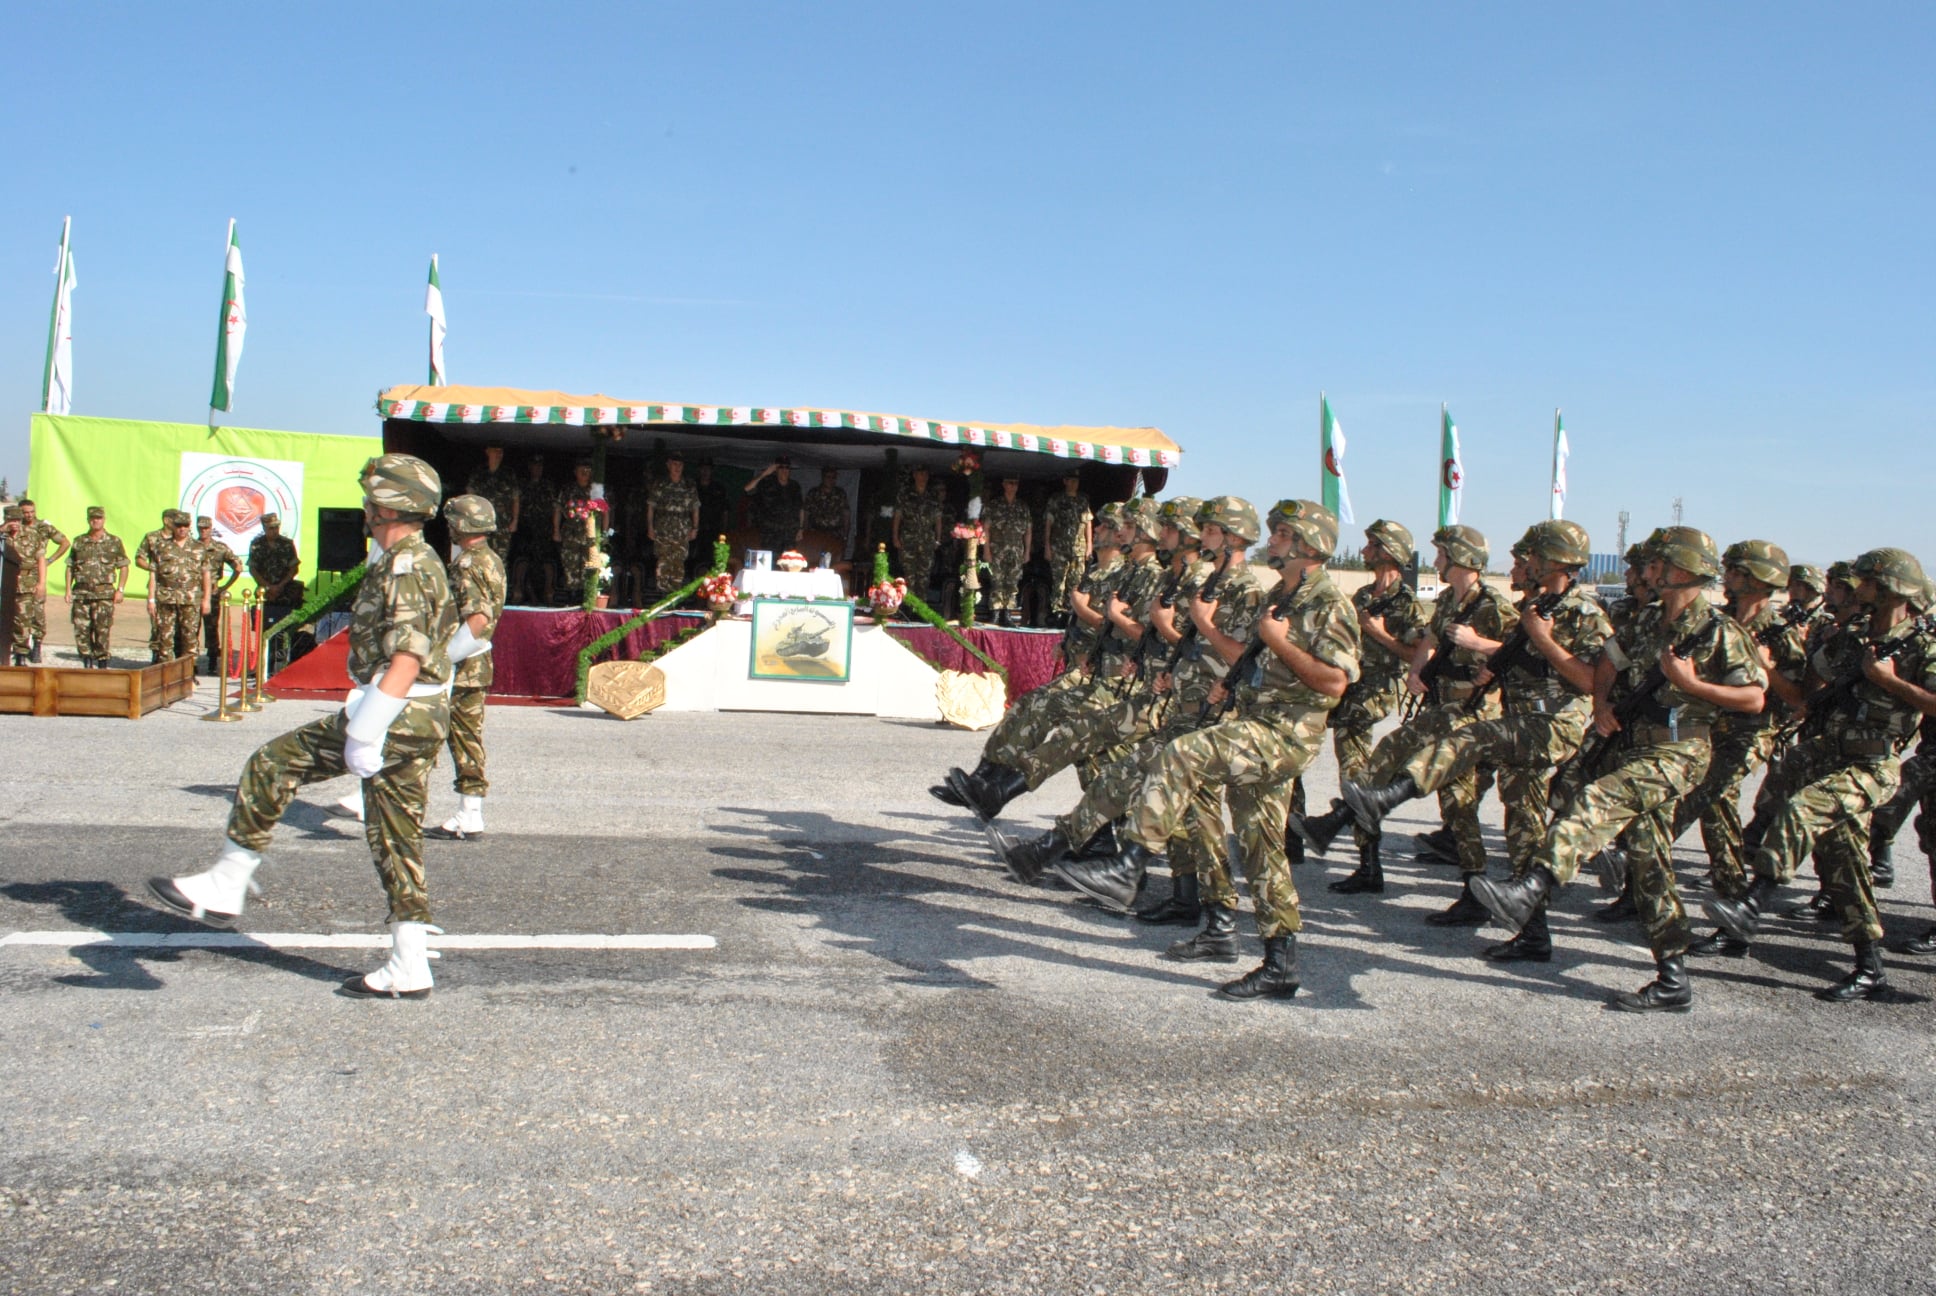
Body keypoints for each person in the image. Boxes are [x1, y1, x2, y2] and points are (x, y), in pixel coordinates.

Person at [151, 454, 469, 1000]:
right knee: (395, 837)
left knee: (272, 764)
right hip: (416, 713)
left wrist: (365, 732)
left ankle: (227, 881)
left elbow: (407, 658)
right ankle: (409, 960)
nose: (365, 507)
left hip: (393, 711)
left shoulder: (407, 566)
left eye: (371, 498)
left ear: (387, 505)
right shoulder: (407, 557)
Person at [1056, 500, 1359, 1001]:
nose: (1273, 540)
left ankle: (1129, 864)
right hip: (1255, 722)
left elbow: (1334, 683)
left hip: (1286, 735)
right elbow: (1254, 659)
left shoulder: (1329, 602)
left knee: (1182, 753)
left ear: (1310, 545)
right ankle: (1276, 961)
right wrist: (1231, 685)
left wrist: (1277, 642)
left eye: (1284, 534)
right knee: (1261, 847)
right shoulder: (1283, 594)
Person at [1469, 527, 1766, 1012]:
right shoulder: (1647, 620)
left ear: (1685, 570)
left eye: (1659, 564)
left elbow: (1753, 697)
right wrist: (1604, 705)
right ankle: (1673, 978)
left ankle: (1533, 886)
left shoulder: (1718, 630)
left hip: (1680, 751)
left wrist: (1693, 685)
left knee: (1597, 798)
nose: (1648, 570)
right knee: (1649, 860)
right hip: (1634, 746)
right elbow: (1608, 663)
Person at [1703, 547, 1936, 1001]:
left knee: (1803, 808)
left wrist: (1889, 681)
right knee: (1844, 860)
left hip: (1873, 764)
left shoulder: (1923, 646)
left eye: (1868, 582)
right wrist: (1772, 667)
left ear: (1892, 589)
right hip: (1831, 753)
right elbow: (1807, 692)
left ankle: (1753, 901)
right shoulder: (1854, 637)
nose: (1858, 588)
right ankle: (1870, 967)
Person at [1299, 525, 1517, 895]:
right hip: (1442, 705)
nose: (1436, 561)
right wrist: (1418, 672)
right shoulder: (1447, 600)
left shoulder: (1493, 606)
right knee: (1455, 800)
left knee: (1402, 761)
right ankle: (1474, 888)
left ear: (1462, 558)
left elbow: (1520, 650)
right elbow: (1429, 640)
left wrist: (1478, 643)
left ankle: (1342, 822)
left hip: (1472, 713)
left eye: (1443, 554)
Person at [431, 495, 507, 840]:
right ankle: (470, 812)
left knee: (418, 733)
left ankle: (374, 800)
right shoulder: (491, 559)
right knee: (467, 738)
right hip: (477, 664)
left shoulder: (466, 564)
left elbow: (477, 618)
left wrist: (443, 659)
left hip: (459, 664)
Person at [67, 506, 128, 668]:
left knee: (102, 629)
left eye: (99, 518)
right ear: (88, 520)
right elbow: (70, 567)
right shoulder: (79, 541)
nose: (96, 521)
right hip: (82, 593)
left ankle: (102, 661)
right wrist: (68, 590)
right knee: (81, 628)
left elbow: (123, 566)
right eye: (93, 518)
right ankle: (86, 660)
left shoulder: (114, 542)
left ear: (104, 520)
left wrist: (120, 590)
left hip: (104, 594)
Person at [148, 510, 211, 668]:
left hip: (190, 598)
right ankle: (167, 673)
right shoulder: (161, 546)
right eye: (179, 526)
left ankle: (188, 672)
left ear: (189, 527)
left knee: (190, 637)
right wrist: (151, 599)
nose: (182, 529)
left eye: (185, 525)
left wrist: (206, 600)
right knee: (165, 637)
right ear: (173, 526)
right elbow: (154, 574)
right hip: (166, 597)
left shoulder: (199, 548)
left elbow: (206, 575)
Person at [9, 499, 67, 664]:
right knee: (18, 614)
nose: (29, 515)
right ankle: (18, 647)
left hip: (34, 574)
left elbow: (64, 542)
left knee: (37, 613)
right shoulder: (13, 528)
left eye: (31, 512)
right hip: (15, 575)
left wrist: (50, 560)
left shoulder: (43, 527)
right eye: (25, 512)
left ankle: (37, 645)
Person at [647, 450, 701, 599]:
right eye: (674, 464)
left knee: (678, 564)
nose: (677, 467)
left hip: (682, 530)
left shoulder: (689, 485)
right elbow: (651, 506)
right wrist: (650, 527)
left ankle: (674, 598)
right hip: (663, 529)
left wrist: (695, 528)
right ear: (668, 465)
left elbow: (695, 507)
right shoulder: (660, 484)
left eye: (680, 464)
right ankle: (662, 597)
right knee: (663, 563)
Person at [983, 475, 1033, 627]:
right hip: (997, 550)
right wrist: (986, 550)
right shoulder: (994, 505)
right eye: (1010, 483)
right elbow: (986, 529)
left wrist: (1027, 551)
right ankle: (996, 613)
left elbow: (1028, 531)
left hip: (1016, 550)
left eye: (1016, 483)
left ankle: (1008, 613)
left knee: (1012, 582)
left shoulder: (1022, 507)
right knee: (996, 581)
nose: (1013, 486)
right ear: (1004, 484)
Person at [196, 515, 243, 674]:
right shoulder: (191, 546)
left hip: (212, 593)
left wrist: (225, 587)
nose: (203, 531)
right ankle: (190, 662)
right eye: (200, 528)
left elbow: (238, 567)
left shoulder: (219, 548)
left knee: (211, 628)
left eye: (206, 528)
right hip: (193, 593)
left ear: (211, 528)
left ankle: (212, 662)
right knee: (190, 628)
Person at [891, 465, 944, 601]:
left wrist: (938, 539)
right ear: (914, 475)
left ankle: (920, 607)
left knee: (924, 577)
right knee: (909, 576)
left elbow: (938, 519)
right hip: (909, 539)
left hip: (927, 541)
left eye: (925, 474)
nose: (923, 477)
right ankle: (909, 606)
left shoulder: (933, 496)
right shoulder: (905, 494)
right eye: (920, 474)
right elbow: (898, 515)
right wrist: (895, 537)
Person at [1043, 472, 1092, 619]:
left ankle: (1072, 611)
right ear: (1065, 481)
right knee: (1059, 581)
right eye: (1071, 480)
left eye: (1076, 480)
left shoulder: (1082, 500)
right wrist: (1047, 546)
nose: (1074, 483)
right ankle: (1057, 611)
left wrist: (1089, 546)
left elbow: (1088, 523)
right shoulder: (1056, 499)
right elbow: (1048, 523)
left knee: (1076, 581)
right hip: (1059, 547)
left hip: (1078, 548)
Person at [3, 506, 47, 666]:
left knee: (23, 621)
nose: (14, 523)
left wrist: (41, 583)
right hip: (4, 584)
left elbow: (41, 560)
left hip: (25, 584)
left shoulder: (32, 535)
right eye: (11, 520)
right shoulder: (2, 536)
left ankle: (20, 655)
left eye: (17, 520)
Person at [511, 454, 558, 604]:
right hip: (525, 528)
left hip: (544, 529)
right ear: (530, 467)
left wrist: (554, 529)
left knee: (546, 560)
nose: (537, 469)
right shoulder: (522, 485)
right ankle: (519, 590)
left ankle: (548, 592)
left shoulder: (548, 485)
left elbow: (555, 507)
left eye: (540, 466)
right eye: (535, 465)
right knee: (523, 558)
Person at [465, 443, 521, 561]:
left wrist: (515, 520)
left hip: (502, 523)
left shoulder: (508, 474)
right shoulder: (479, 472)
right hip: (481, 522)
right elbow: (470, 497)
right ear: (487, 452)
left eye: (501, 451)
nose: (498, 454)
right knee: (479, 556)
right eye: (495, 451)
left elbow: (515, 498)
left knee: (500, 558)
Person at [554, 460, 598, 605]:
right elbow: (558, 509)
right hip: (570, 533)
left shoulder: (595, 490)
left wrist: (604, 532)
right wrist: (556, 530)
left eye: (588, 470)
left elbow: (605, 511)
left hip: (589, 535)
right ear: (575, 472)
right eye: (582, 470)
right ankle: (571, 598)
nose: (585, 474)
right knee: (570, 566)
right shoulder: (567, 490)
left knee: (588, 566)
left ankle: (585, 599)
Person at [745, 455, 804, 556]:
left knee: (788, 561)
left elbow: (800, 508)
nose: (784, 470)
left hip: (789, 534)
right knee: (770, 561)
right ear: (776, 469)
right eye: (781, 467)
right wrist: (765, 473)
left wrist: (801, 529)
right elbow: (748, 489)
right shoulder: (767, 483)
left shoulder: (794, 486)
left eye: (787, 467)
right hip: (770, 534)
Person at [247, 512, 302, 619]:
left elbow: (294, 568)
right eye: (271, 528)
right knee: (264, 621)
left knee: (284, 622)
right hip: (265, 592)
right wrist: (268, 587)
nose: (275, 531)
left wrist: (280, 586)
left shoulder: (287, 544)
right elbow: (253, 569)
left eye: (276, 527)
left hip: (285, 591)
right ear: (264, 528)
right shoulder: (257, 545)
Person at [803, 466, 851, 557]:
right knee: (815, 558)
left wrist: (845, 537)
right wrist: (805, 533)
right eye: (828, 477)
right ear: (823, 478)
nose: (830, 480)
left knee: (835, 558)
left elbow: (846, 516)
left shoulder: (840, 493)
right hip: (816, 533)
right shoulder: (813, 493)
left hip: (835, 534)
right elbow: (806, 514)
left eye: (833, 477)